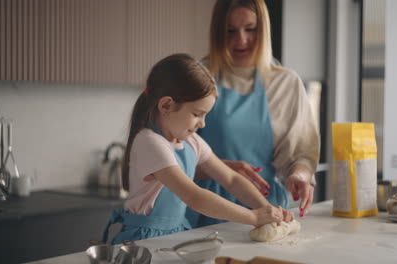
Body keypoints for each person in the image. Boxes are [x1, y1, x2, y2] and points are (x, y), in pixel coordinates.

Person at [102, 53, 294, 245]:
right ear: (167, 105)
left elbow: (232, 179)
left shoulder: (191, 141)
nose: (202, 124)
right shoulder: (150, 142)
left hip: (176, 236)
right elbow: (194, 197)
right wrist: (254, 217)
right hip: (144, 241)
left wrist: (269, 210)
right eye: (197, 114)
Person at [186, 0, 320, 228]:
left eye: (251, 29)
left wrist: (300, 175)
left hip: (267, 209)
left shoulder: (285, 83)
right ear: (217, 31)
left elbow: (300, 154)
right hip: (206, 209)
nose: (241, 40)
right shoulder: (196, 77)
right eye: (230, 31)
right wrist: (217, 169)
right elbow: (176, 157)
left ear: (264, 29)